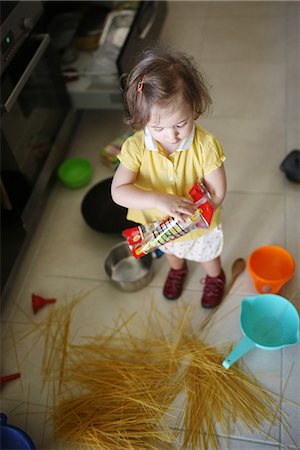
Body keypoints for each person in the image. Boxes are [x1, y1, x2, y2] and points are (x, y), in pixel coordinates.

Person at [111, 46, 227, 308]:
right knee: (173, 252)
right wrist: (160, 201)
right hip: (160, 226)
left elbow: (218, 192)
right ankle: (177, 270)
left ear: (194, 107)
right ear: (141, 121)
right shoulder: (136, 147)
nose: (171, 136)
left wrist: (194, 217)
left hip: (199, 227)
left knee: (207, 255)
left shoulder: (205, 146)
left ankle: (215, 277)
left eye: (180, 124)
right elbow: (118, 191)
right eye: (158, 128)